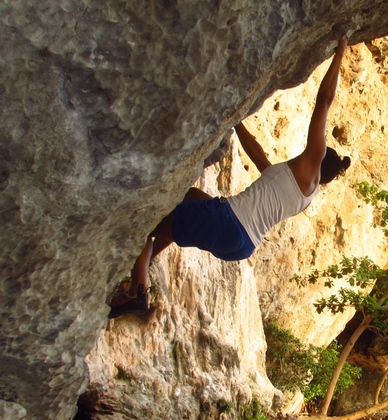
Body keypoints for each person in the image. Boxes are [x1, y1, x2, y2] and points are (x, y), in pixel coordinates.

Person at [109, 38, 351, 319]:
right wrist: (236, 121)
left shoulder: (311, 164)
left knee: (144, 221)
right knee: (189, 197)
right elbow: (259, 157)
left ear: (319, 159)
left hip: (227, 222)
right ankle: (147, 260)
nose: (304, 153)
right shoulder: (300, 192)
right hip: (240, 244)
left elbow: (324, 101)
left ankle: (138, 292)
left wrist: (341, 48)